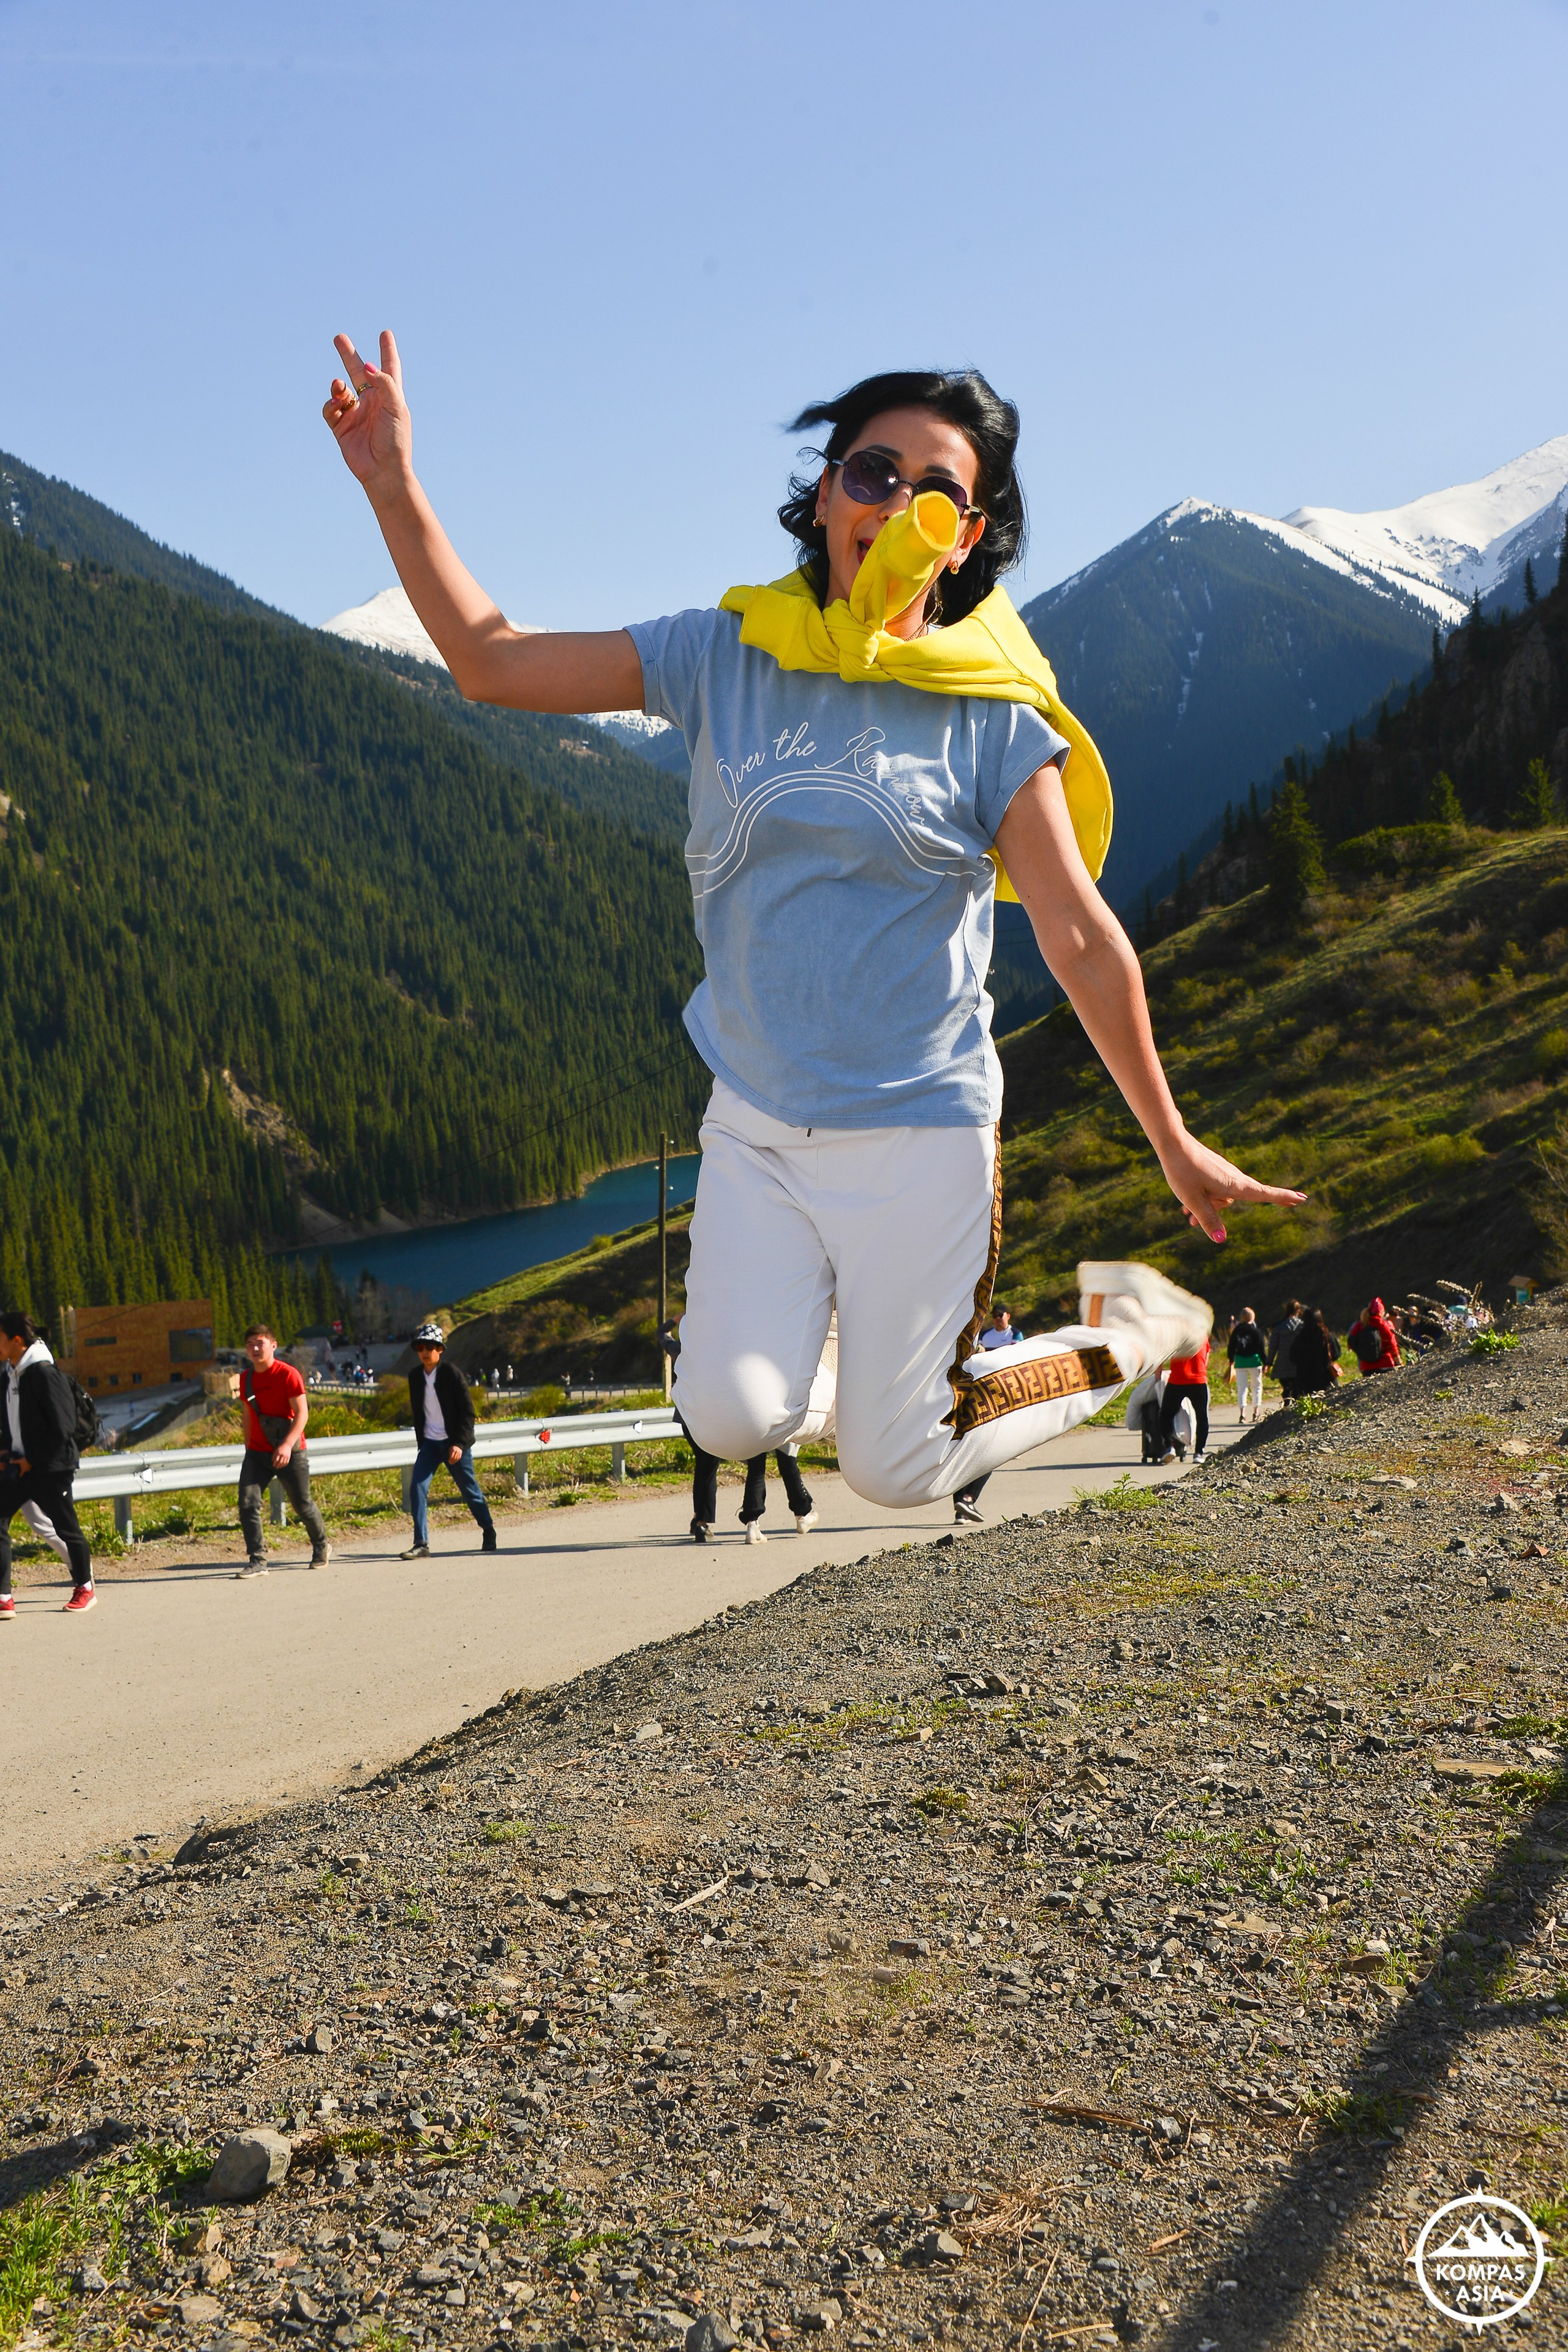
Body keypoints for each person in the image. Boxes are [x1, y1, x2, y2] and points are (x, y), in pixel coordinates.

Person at [323, 342, 1304, 1503]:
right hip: (758, 1124)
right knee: (729, 1415)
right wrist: (392, 484)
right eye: (872, 473)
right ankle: (863, 1361)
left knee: (902, 1469)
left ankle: (1123, 1335)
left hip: (924, 1130)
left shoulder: (994, 716)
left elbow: (1081, 940)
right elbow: (491, 663)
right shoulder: (725, 653)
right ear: (828, 491)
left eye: (935, 492)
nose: (894, 504)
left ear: (970, 535)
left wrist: (1172, 1139)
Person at [0, 1312, 96, 1618]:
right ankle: (4, 1597)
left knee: (67, 1529)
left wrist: (32, 1459)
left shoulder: (43, 1373)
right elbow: (9, 1423)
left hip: (51, 1466)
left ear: (16, 1340)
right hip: (19, 1467)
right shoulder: (10, 1374)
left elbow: (63, 1427)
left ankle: (85, 1586)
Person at [235, 1324, 331, 1578]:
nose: (255, 1349)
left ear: (273, 1345)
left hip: (291, 1451)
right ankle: (258, 1560)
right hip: (257, 1452)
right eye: (250, 1345)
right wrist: (248, 1448)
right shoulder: (246, 1378)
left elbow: (302, 1414)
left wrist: (287, 1445)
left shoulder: (288, 1375)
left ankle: (322, 1546)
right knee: (247, 1503)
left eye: (260, 1343)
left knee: (302, 1505)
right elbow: (247, 1413)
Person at [402, 1322, 499, 1559]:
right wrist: (423, 1443)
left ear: (440, 1349)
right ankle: (421, 1544)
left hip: (454, 1443)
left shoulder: (451, 1374)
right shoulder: (415, 1376)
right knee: (417, 1488)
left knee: (469, 1491)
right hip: (430, 1444)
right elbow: (419, 1412)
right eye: (421, 1347)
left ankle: (488, 1529)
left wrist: (458, 1443)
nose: (425, 1352)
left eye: (431, 1347)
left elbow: (468, 1413)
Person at [1158, 1332, 1212, 1463]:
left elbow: (1162, 1355)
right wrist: (1203, 1368)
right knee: (1202, 1417)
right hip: (1198, 1380)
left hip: (1177, 1380)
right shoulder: (1202, 1334)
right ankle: (1199, 1453)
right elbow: (1208, 1352)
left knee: (1165, 1415)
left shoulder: (1176, 1334)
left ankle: (1169, 1447)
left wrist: (1159, 1375)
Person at [1291, 1306, 1342, 1397]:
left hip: (1305, 1380)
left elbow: (1293, 1358)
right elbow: (1337, 1354)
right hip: (1326, 1378)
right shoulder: (1327, 1336)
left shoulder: (1300, 1338)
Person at [1227, 1306, 1266, 1422]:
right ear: (1252, 1317)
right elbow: (1261, 1349)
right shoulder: (1256, 1331)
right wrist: (1266, 1363)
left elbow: (1231, 1346)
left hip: (1240, 1361)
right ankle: (1256, 1412)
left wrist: (1231, 1359)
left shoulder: (1237, 1331)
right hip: (1254, 1361)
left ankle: (1242, 1414)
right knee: (1257, 1386)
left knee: (1242, 1388)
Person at [1348, 1296, 1401, 1377]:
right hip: (1385, 1365)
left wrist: (1361, 1353)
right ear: (1381, 1312)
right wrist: (1400, 1363)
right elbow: (1392, 1345)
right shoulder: (1383, 1325)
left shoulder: (1360, 1325)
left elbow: (1351, 1342)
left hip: (1366, 1367)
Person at [1265, 1300, 1304, 1408]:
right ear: (1298, 1311)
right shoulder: (1302, 1326)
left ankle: (1287, 1404)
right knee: (1297, 1387)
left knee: (1286, 1387)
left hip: (1282, 1362)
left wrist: (1269, 1363)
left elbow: (1273, 1347)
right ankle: (1297, 1407)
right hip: (1298, 1361)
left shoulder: (1278, 1327)